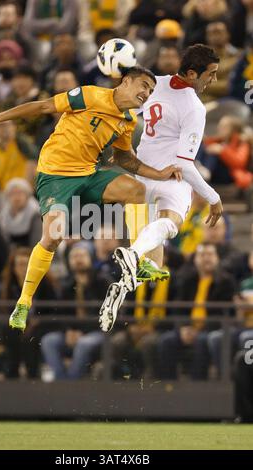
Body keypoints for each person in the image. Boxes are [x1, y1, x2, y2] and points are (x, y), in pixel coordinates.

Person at [0, 65, 181, 331]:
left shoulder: (128, 121)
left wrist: (160, 174)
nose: (147, 93)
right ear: (126, 81)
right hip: (55, 175)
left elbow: (126, 159)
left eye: (150, 90)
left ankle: (137, 260)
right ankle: (23, 302)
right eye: (143, 85)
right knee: (53, 236)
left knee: (136, 191)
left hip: (87, 172)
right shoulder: (90, 95)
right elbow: (45, 107)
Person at [99, 44, 224, 332]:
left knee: (154, 265)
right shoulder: (193, 107)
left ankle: (123, 282)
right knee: (171, 224)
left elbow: (122, 106)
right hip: (170, 178)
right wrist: (213, 198)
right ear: (192, 73)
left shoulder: (155, 84)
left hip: (141, 177)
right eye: (211, 74)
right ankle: (132, 256)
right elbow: (185, 164)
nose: (213, 80)